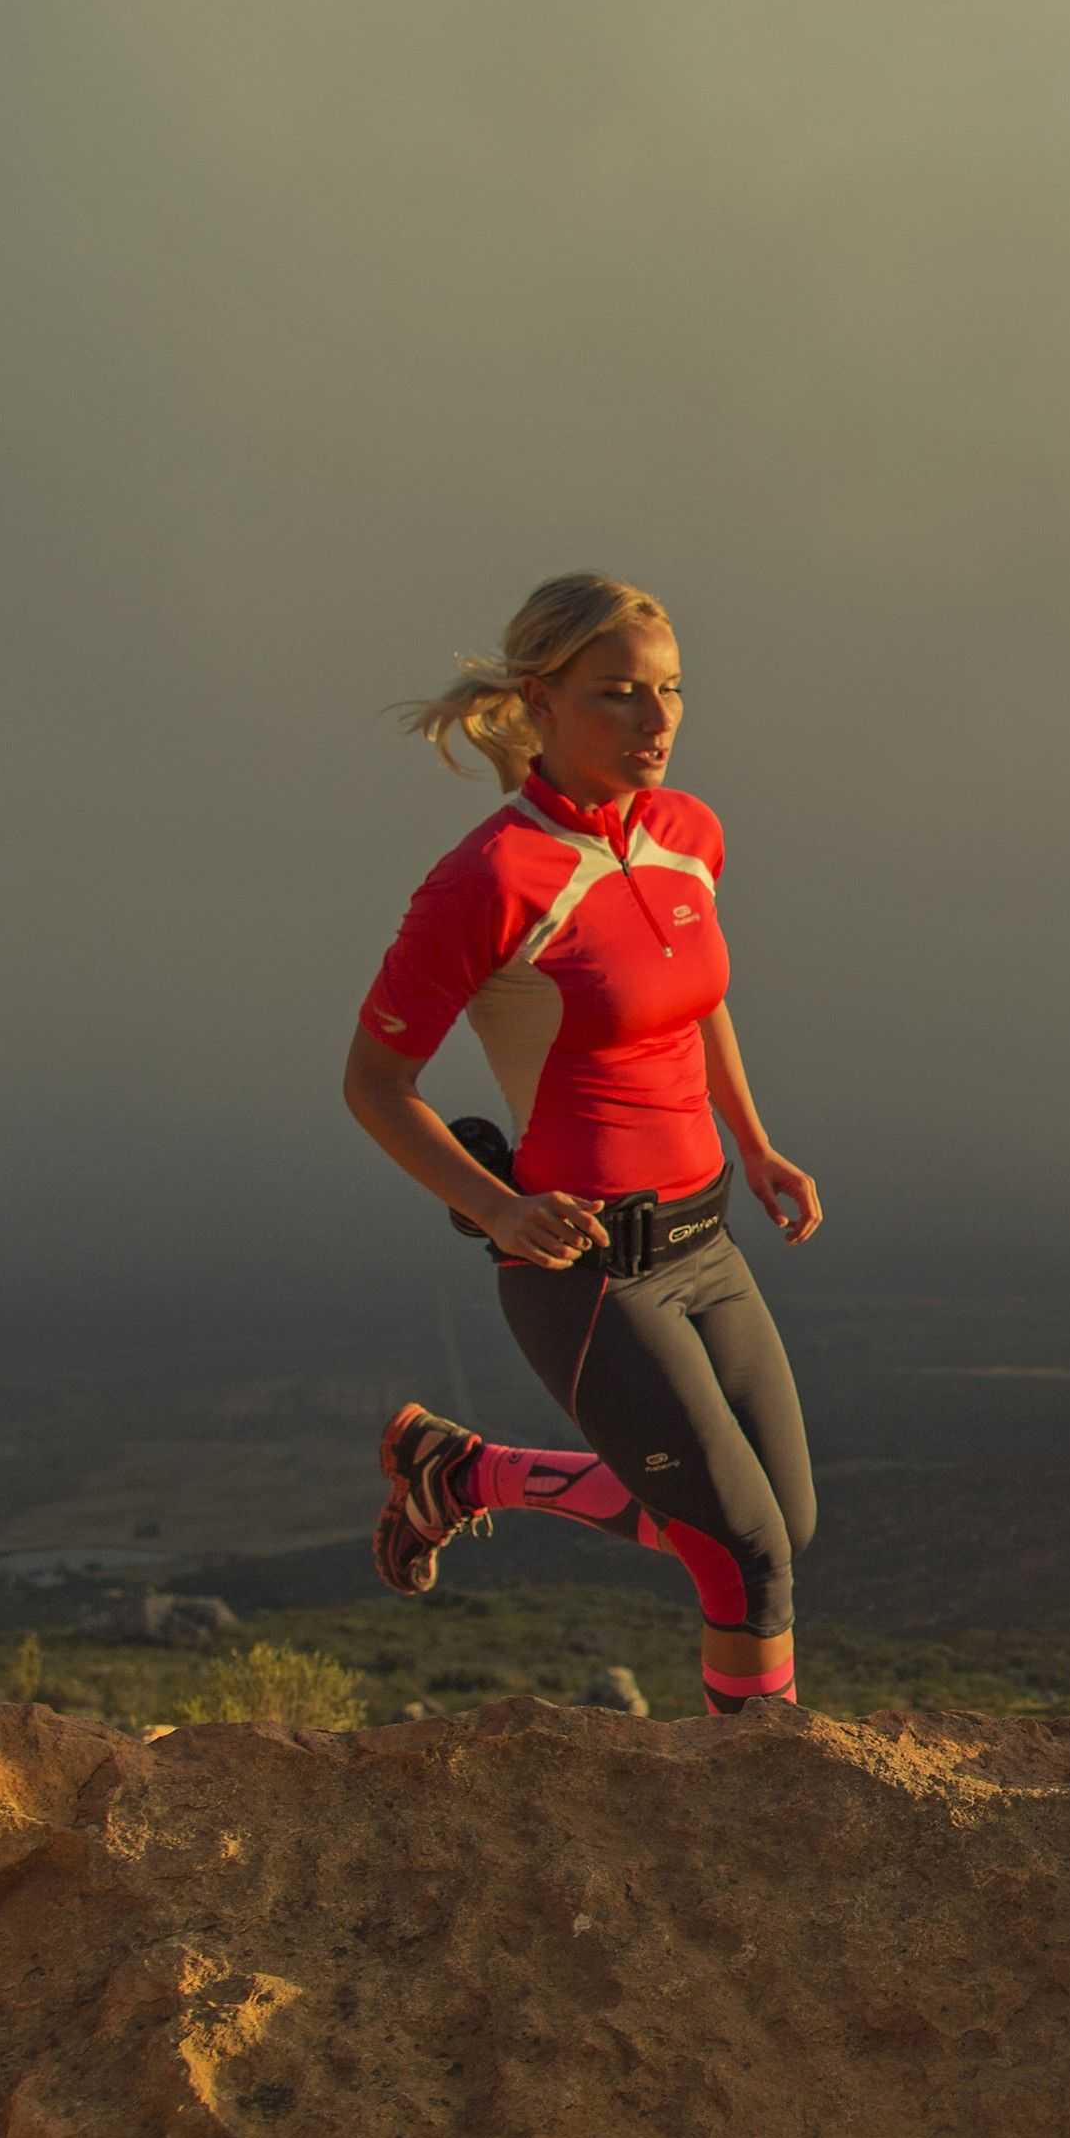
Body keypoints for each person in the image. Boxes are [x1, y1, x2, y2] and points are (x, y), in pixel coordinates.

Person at [340, 572, 824, 1716]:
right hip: (588, 1267)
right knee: (743, 1557)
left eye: (669, 692)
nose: (656, 723)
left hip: (707, 1238)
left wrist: (754, 1145)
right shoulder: (489, 879)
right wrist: (499, 1208)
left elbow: (693, 997)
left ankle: (464, 1473)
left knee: (779, 1522)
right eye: (618, 696)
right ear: (540, 701)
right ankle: (756, 1802)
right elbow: (374, 1084)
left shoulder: (687, 834)